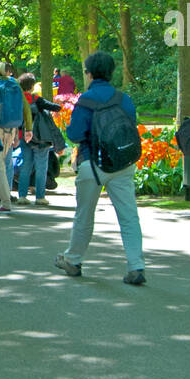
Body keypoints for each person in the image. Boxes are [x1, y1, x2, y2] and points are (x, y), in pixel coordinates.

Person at [55, 50, 145, 285]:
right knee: (129, 217)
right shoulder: (123, 98)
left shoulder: (85, 100)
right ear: (112, 72)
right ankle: (136, 266)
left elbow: (74, 134)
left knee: (84, 214)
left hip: (92, 165)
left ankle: (73, 260)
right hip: (122, 163)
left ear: (90, 73)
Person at [0, 55, 32, 214]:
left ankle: (6, 202)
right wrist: (28, 128)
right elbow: (25, 107)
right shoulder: (14, 82)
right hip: (12, 129)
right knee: (1, 163)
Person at [15, 74, 61, 204]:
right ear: (32, 86)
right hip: (40, 139)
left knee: (26, 166)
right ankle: (40, 197)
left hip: (24, 137)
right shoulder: (37, 100)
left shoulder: (18, 100)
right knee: (41, 167)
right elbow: (55, 107)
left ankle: (22, 196)